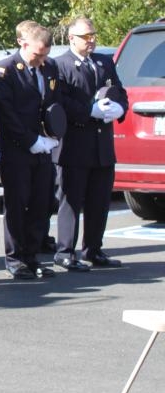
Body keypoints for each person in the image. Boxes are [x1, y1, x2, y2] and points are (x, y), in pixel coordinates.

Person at [53, 17, 128, 270]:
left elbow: (119, 90)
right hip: (75, 144)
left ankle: (93, 249)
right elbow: (60, 102)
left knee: (99, 200)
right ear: (71, 38)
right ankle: (65, 251)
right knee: (71, 201)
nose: (92, 40)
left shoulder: (104, 62)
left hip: (102, 146)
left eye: (93, 34)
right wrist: (89, 111)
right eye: (86, 36)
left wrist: (120, 108)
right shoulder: (60, 65)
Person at [0, 22, 61, 280]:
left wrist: (52, 134)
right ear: (23, 44)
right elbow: (5, 112)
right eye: (37, 54)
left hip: (43, 147)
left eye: (45, 54)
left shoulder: (49, 67)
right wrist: (30, 139)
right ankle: (15, 258)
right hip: (17, 149)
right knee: (18, 205)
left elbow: (53, 104)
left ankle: (33, 257)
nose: (41, 59)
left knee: (41, 204)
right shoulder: (6, 70)